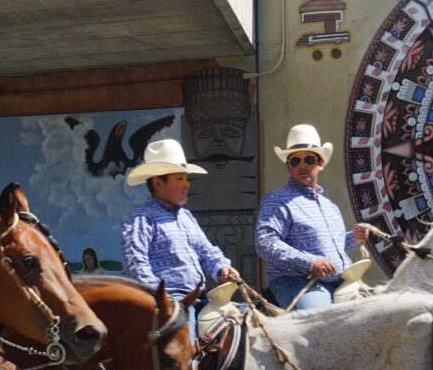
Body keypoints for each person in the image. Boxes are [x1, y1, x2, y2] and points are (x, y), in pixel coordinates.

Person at [119, 138, 240, 336]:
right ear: (158, 182)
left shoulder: (186, 217)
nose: (186, 184)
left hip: (200, 298)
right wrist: (164, 300)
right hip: (171, 303)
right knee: (186, 353)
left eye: (186, 178)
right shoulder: (140, 220)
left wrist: (221, 268)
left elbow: (206, 250)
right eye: (179, 179)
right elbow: (137, 268)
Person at [256, 124, 374, 311]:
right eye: (295, 161)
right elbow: (265, 243)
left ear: (320, 163)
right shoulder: (276, 200)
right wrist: (310, 263)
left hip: (339, 280)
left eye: (309, 159)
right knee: (320, 324)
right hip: (296, 280)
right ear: (288, 166)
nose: (302, 166)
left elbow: (330, 246)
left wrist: (354, 237)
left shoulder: (330, 206)